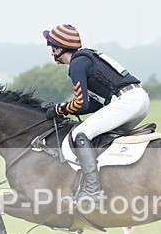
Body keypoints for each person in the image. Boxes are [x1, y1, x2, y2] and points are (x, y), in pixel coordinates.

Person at [43, 24, 150, 207]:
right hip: (137, 99)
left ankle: (92, 191)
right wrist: (66, 110)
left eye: (53, 47)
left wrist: (59, 109)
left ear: (61, 48)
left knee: (80, 135)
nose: (52, 52)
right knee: (100, 136)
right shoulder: (85, 58)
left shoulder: (77, 63)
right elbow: (93, 104)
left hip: (127, 100)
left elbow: (80, 103)